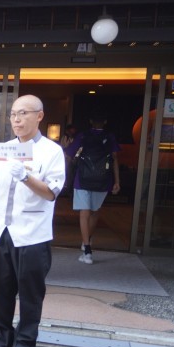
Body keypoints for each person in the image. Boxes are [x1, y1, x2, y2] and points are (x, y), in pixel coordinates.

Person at [0, 95, 65, 347]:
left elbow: (51, 193)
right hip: (0, 231)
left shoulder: (51, 151)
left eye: (23, 113)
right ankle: (1, 338)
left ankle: (25, 343)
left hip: (32, 233)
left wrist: (26, 176)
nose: (16, 119)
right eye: (13, 114)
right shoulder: (4, 149)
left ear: (39, 116)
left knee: (30, 293)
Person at [64, 111, 121, 265]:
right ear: (105, 121)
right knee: (95, 212)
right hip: (103, 180)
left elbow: (68, 155)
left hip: (82, 179)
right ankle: (87, 240)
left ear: (90, 121)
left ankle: (87, 251)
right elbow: (115, 158)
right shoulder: (110, 137)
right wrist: (117, 181)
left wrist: (66, 174)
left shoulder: (82, 136)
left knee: (84, 213)